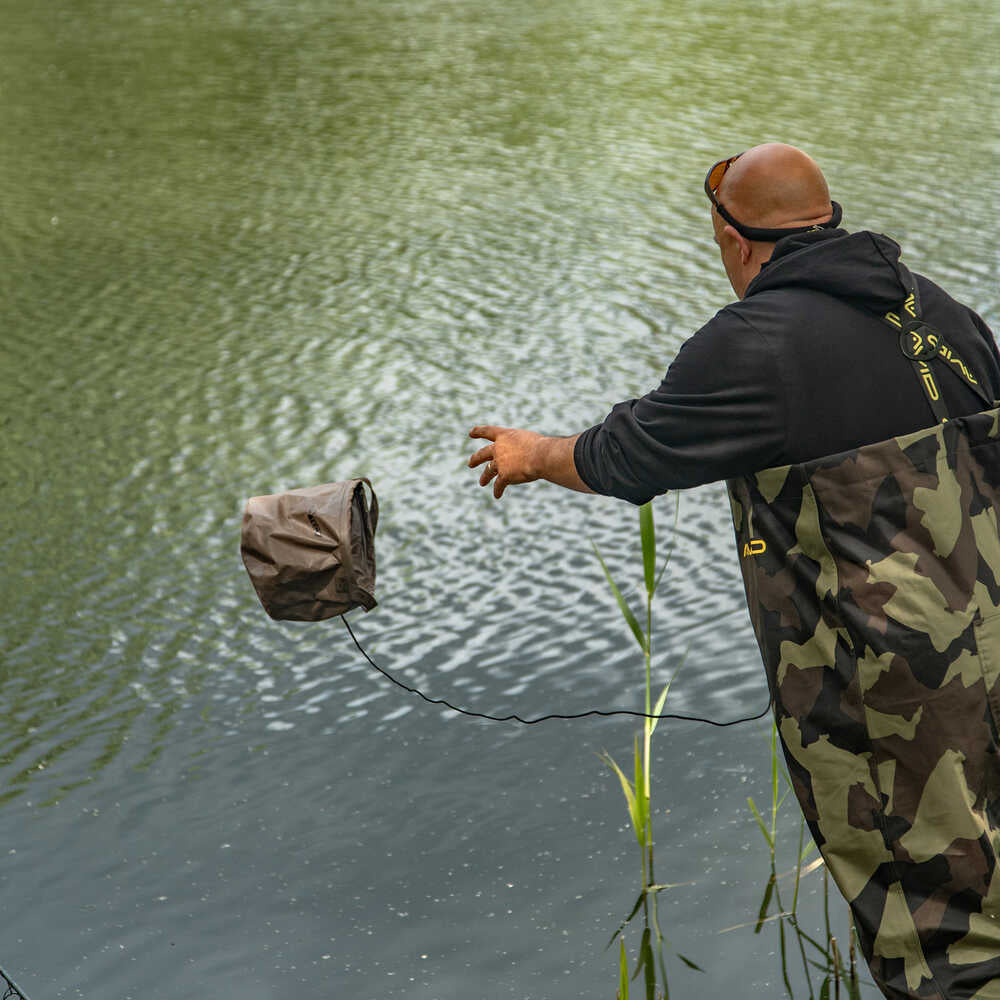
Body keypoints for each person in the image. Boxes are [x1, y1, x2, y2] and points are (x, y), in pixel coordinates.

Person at [467, 143, 1000, 1000]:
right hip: (989, 661)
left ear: (733, 238)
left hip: (892, 704)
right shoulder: (942, 315)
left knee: (938, 942)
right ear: (826, 220)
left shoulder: (754, 345)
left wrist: (533, 455)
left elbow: (630, 455)